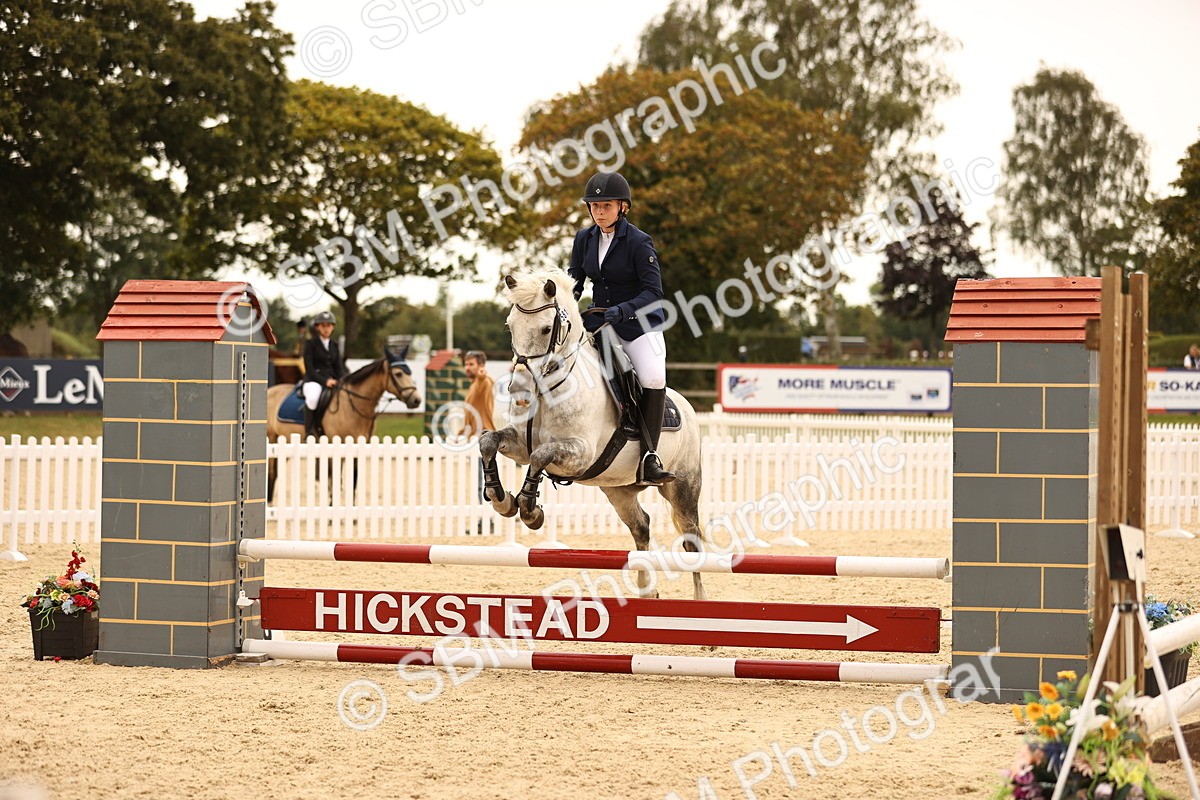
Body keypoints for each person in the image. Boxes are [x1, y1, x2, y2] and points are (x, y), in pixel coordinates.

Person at [568, 171, 674, 485]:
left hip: (639, 326)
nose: (600, 212)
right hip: (599, 322)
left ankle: (650, 456)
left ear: (622, 207)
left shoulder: (640, 242)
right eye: (595, 206)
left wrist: (623, 310)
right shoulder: (583, 239)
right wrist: (565, 303)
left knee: (653, 377)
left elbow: (654, 292)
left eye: (607, 205)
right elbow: (575, 280)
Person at [463, 351, 496, 533]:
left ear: (481, 366)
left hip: (483, 439)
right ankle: (487, 518)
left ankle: (487, 520)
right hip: (474, 439)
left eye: (471, 364)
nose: (467, 368)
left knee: (482, 484)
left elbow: (485, 383)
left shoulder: (484, 381)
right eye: (466, 364)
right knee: (483, 482)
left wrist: (483, 377)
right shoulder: (473, 384)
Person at [301, 311, 346, 439]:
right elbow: (309, 368)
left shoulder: (334, 345)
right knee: (313, 397)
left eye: (329, 325)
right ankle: (309, 432)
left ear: (333, 327)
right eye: (323, 326)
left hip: (332, 380)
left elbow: (339, 367)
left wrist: (343, 380)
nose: (326, 329)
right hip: (313, 380)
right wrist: (325, 381)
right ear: (318, 327)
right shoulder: (310, 344)